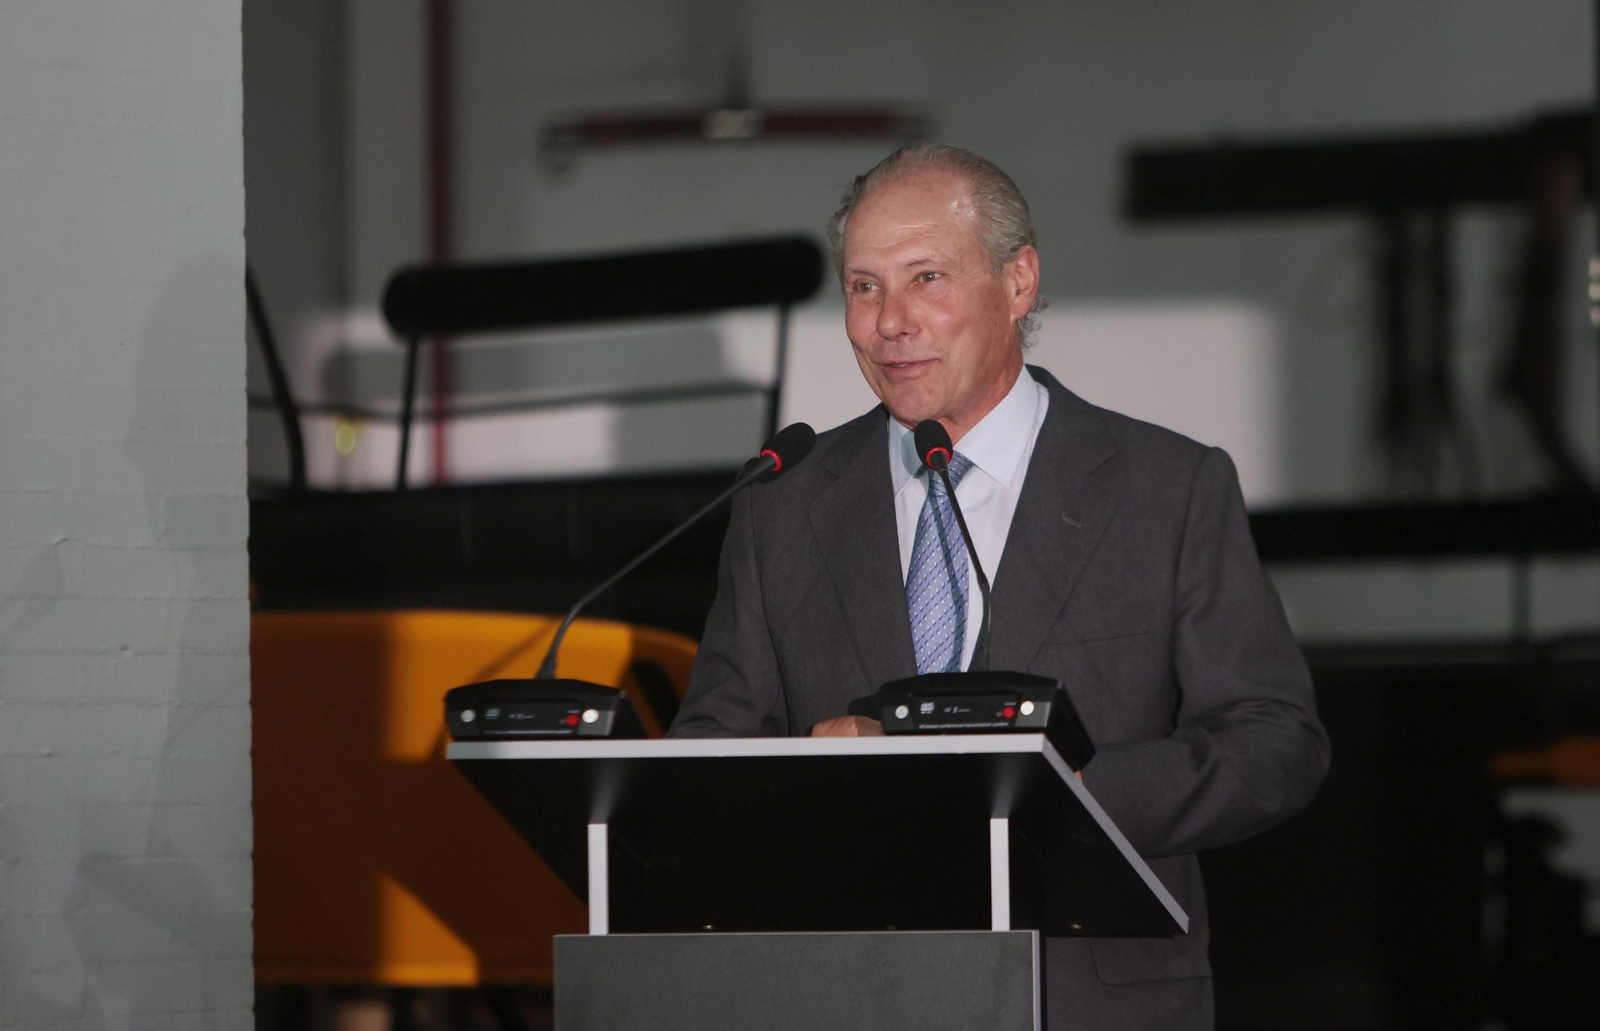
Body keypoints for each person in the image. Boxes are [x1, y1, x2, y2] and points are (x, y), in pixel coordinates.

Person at [669, 143, 1330, 1030]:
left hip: (1089, 1004)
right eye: (863, 287)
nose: (890, 322)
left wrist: (1072, 793)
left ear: (1018, 282)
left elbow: (1275, 741)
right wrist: (822, 783)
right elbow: (708, 759)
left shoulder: (1166, 488)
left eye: (925, 278)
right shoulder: (784, 505)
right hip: (853, 998)